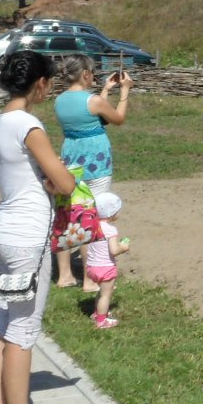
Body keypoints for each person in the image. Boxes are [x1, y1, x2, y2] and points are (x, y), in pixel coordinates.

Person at [0, 49, 76, 404]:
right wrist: (57, 179)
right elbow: (65, 183)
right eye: (49, 83)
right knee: (23, 331)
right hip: (27, 237)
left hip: (4, 229)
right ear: (40, 83)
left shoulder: (0, 119)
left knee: (3, 324)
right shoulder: (29, 125)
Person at [53, 55, 132, 290]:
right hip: (95, 162)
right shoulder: (94, 100)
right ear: (85, 74)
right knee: (91, 217)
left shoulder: (59, 101)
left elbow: (91, 114)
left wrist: (105, 90)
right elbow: (117, 118)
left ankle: (64, 275)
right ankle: (90, 278)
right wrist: (125, 90)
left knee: (67, 214)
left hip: (70, 158)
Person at [85, 192, 130, 329]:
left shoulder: (92, 226)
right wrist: (123, 247)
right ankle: (101, 321)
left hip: (92, 266)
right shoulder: (110, 230)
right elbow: (114, 251)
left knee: (101, 291)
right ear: (111, 213)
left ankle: (97, 312)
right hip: (105, 267)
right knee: (106, 294)